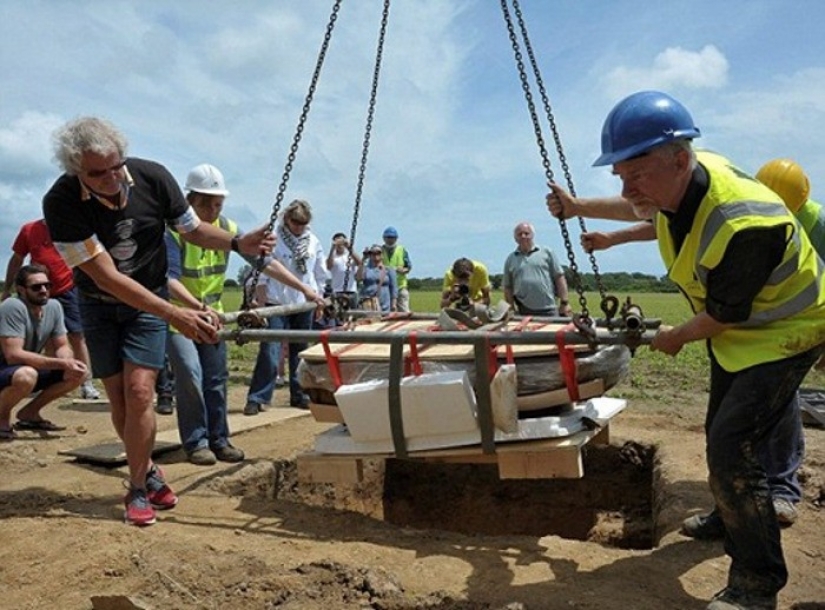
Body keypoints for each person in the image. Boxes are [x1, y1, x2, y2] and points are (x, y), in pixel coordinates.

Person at [547, 90, 825, 610]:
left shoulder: (745, 224)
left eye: (636, 174)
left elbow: (725, 313)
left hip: (788, 326)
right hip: (743, 328)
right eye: (620, 176)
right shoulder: (680, 180)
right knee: (720, 425)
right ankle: (730, 514)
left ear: (679, 159)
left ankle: (757, 584)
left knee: (732, 443)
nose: (628, 187)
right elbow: (652, 213)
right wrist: (581, 208)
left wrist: (674, 336)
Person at [42, 117, 274, 527]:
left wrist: (239, 243)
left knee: (140, 391)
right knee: (118, 399)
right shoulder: (61, 202)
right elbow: (106, 275)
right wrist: (175, 314)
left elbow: (193, 230)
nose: (113, 178)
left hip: (147, 307)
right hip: (99, 305)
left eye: (117, 165)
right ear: (77, 169)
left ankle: (134, 488)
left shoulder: (153, 178)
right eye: (99, 173)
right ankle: (146, 468)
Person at [167, 164, 321, 464]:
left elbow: (267, 264)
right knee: (189, 375)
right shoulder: (174, 232)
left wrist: (306, 289)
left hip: (213, 317)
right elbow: (168, 279)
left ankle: (220, 440)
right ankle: (196, 442)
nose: (214, 210)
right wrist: (198, 307)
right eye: (209, 204)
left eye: (219, 204)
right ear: (190, 201)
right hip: (179, 318)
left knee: (215, 378)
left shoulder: (228, 229)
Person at [3, 219, 101, 400]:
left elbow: (88, 257)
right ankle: (44, 381)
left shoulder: (70, 226)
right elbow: (17, 258)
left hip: (67, 288)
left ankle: (86, 382)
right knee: (47, 337)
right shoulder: (30, 229)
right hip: (35, 289)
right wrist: (8, 287)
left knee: (77, 336)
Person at [245, 199, 327, 415]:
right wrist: (260, 302)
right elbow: (261, 271)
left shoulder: (313, 242)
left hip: (304, 302)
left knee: (300, 351)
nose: (298, 227)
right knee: (270, 351)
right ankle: (258, 397)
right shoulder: (274, 239)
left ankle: (299, 394)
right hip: (276, 301)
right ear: (286, 219)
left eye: (303, 223)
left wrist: (319, 299)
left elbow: (319, 275)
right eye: (295, 222)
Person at [0, 264, 87, 439]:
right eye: (36, 287)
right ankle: (1, 418)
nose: (43, 290)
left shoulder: (54, 307)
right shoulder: (12, 306)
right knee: (26, 375)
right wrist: (62, 363)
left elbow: (62, 345)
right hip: (7, 368)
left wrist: (67, 362)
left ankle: (29, 413)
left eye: (47, 285)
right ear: (21, 290)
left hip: (23, 368)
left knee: (79, 373)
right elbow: (13, 355)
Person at [502, 222, 572, 317]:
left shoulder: (547, 253)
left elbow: (559, 277)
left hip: (549, 309)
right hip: (523, 310)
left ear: (532, 235)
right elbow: (507, 287)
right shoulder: (511, 259)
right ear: (515, 238)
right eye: (519, 234)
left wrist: (564, 302)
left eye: (526, 233)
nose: (523, 236)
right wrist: (511, 308)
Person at [357, 244, 397, 313]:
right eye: (372, 253)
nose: (375, 255)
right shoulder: (366, 269)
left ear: (382, 255)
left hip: (384, 305)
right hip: (368, 304)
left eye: (378, 252)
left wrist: (394, 304)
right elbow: (358, 278)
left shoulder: (389, 270)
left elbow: (394, 288)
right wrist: (363, 259)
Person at [326, 231, 361, 309]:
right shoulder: (332, 257)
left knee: (353, 315)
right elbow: (329, 266)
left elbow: (359, 262)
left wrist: (349, 247)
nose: (340, 244)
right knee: (337, 316)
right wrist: (332, 248)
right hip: (337, 291)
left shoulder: (350, 255)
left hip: (351, 290)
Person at [381, 226, 412, 312]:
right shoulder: (379, 251)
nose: (390, 240)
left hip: (400, 286)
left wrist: (403, 270)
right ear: (384, 238)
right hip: (386, 287)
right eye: (388, 237)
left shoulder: (402, 250)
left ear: (396, 238)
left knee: (404, 310)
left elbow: (408, 267)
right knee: (386, 312)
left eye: (392, 238)